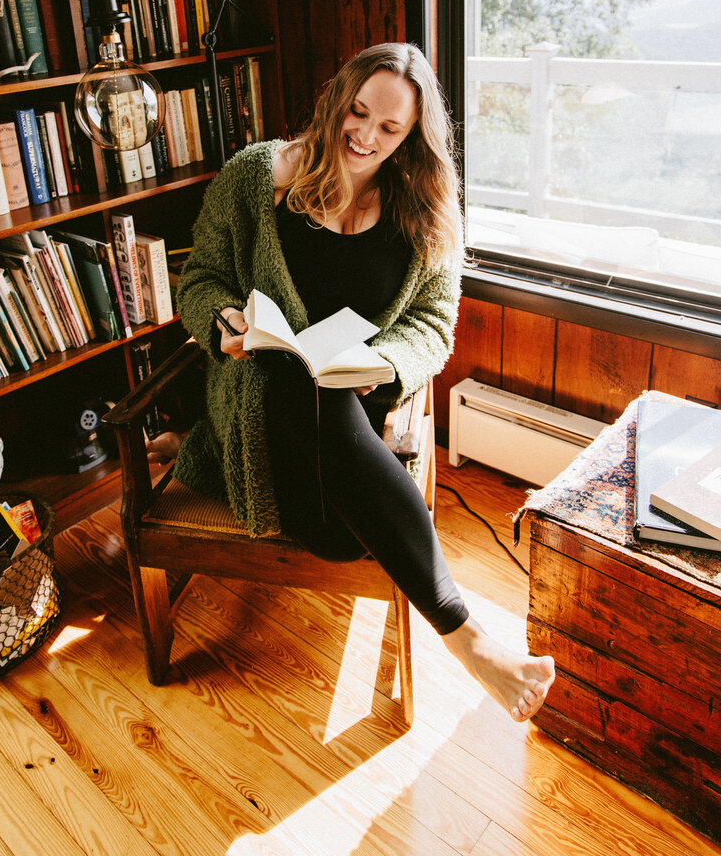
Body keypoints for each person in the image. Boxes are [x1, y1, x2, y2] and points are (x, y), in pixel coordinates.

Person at [149, 42, 555, 722]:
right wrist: (220, 317)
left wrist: (387, 362)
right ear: (339, 99)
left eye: (389, 128)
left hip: (352, 444)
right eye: (358, 112)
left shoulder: (423, 213)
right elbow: (201, 278)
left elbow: (433, 326)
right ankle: (468, 634)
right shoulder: (258, 177)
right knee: (294, 376)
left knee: (331, 420)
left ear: (411, 138)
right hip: (259, 421)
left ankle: (462, 627)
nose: (365, 135)